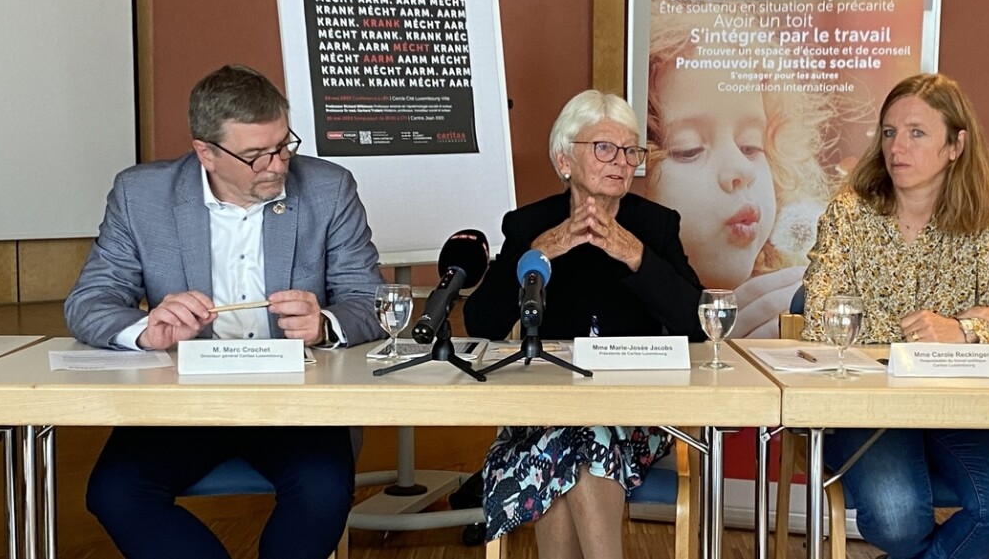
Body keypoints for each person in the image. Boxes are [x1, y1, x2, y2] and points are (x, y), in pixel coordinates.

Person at [64, 64, 386, 559]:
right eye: (256, 155)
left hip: (295, 403)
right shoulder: (141, 195)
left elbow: (370, 299)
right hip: (184, 402)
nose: (276, 165)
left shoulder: (329, 188)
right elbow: (89, 301)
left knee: (323, 493)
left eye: (283, 145)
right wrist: (146, 330)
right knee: (115, 493)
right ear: (206, 153)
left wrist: (324, 324)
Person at [800, 73, 989, 559]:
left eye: (917, 133)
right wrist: (933, 330)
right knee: (897, 517)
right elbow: (821, 317)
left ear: (955, 146)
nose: (897, 147)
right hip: (869, 405)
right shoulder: (850, 213)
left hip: (961, 404)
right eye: (889, 132)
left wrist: (964, 330)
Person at [463, 89, 704, 559]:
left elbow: (696, 323)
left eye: (630, 151)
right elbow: (481, 323)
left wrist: (635, 255)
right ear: (564, 159)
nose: (621, 162)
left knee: (579, 438)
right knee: (571, 436)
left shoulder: (655, 226)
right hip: (546, 409)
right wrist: (542, 250)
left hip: (633, 411)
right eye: (604, 148)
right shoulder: (529, 225)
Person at [645, 9, 855, 338]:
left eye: (751, 146)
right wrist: (717, 348)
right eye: (689, 148)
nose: (742, 170)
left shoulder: (802, 290)